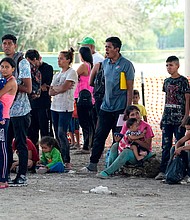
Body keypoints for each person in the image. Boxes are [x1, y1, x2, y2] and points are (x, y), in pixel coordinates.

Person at [80, 36, 135, 173]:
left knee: (118, 137)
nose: (106, 49)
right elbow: (98, 83)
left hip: (120, 108)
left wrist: (127, 109)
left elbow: (129, 89)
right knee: (99, 136)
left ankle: (115, 166)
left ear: (117, 49)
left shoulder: (126, 65)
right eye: (105, 47)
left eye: (109, 47)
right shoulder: (104, 64)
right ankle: (92, 164)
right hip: (105, 107)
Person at [1, 34, 32, 186]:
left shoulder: (22, 62)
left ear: (15, 45)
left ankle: (22, 175)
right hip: (6, 111)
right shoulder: (3, 63)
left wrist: (11, 84)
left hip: (20, 110)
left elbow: (28, 88)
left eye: (9, 43)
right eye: (4, 43)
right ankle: (4, 175)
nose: (6, 46)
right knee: (5, 144)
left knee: (20, 143)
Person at [155, 56, 190, 180]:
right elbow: (166, 100)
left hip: (179, 118)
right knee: (165, 145)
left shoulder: (183, 81)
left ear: (177, 66)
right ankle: (164, 170)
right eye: (167, 65)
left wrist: (186, 117)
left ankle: (182, 170)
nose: (169, 68)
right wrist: (163, 118)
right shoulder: (167, 81)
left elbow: (187, 100)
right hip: (167, 118)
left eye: (171, 65)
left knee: (179, 145)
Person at [96, 105, 154, 178]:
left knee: (126, 152)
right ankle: (109, 169)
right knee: (115, 145)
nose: (136, 116)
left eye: (137, 113)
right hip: (130, 149)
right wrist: (118, 140)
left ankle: (107, 172)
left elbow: (148, 147)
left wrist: (135, 140)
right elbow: (123, 140)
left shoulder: (146, 127)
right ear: (128, 117)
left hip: (142, 153)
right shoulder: (127, 125)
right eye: (132, 115)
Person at [49, 48, 78, 170]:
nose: (59, 61)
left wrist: (57, 88)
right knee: (57, 133)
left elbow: (64, 88)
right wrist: (57, 88)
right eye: (58, 59)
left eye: (61, 58)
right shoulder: (58, 74)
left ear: (68, 60)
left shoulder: (71, 73)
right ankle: (59, 157)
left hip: (65, 106)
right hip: (55, 106)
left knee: (62, 133)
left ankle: (67, 160)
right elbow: (51, 91)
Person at [25, 49, 54, 151]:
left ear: (38, 59)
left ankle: (49, 155)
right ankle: (34, 156)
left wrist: (35, 88)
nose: (31, 65)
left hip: (43, 105)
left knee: (45, 132)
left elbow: (45, 86)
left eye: (32, 62)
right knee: (32, 132)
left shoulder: (47, 68)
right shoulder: (27, 69)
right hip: (31, 105)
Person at [0, 57, 17, 189]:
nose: (4, 69)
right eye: (2, 67)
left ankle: (3, 178)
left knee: (3, 148)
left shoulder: (11, 82)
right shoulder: (4, 80)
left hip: (3, 118)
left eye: (7, 67)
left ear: (13, 69)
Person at [74, 46, 95, 154]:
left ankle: (86, 146)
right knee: (89, 122)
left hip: (83, 96)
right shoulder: (90, 65)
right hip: (89, 96)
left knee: (84, 122)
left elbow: (73, 75)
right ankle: (89, 144)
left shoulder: (84, 65)